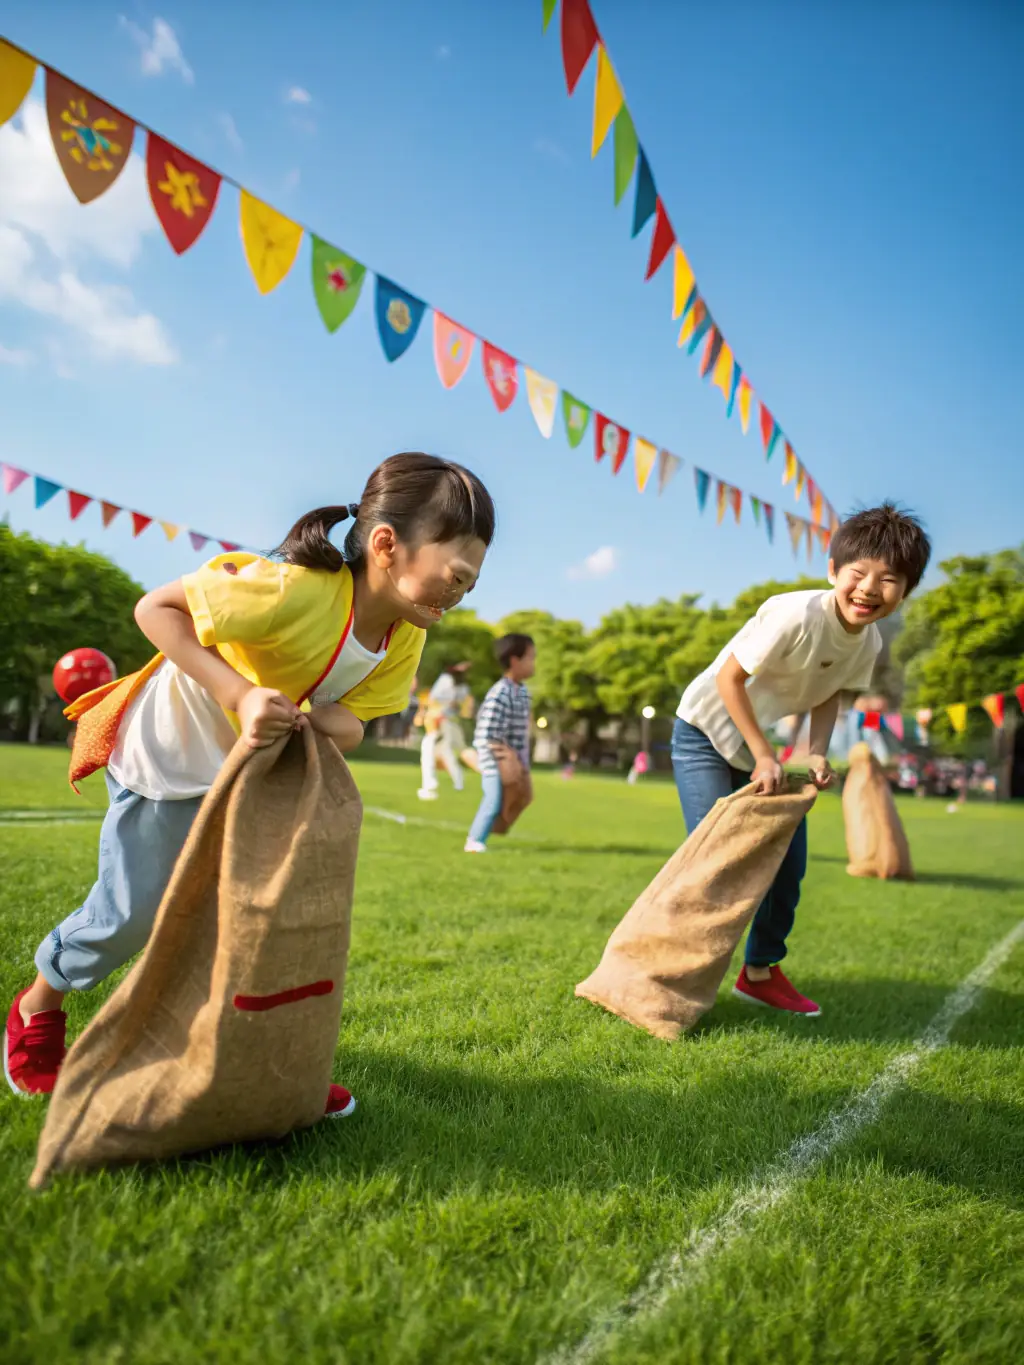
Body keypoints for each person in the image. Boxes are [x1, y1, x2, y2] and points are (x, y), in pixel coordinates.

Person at [5, 453, 495, 1106]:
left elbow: (357, 721)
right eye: (456, 575)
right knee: (133, 914)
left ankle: (261, 1068)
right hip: (169, 760)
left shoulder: (405, 635)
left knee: (252, 926)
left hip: (249, 777)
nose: (461, 593)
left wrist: (322, 723)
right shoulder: (289, 588)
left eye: (471, 582)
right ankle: (39, 1005)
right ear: (387, 546)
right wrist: (239, 695)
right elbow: (156, 610)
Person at [671, 503, 931, 1016]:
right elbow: (728, 679)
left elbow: (828, 692)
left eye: (889, 579)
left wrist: (814, 752)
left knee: (789, 863)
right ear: (834, 571)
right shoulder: (795, 613)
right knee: (714, 859)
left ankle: (761, 972)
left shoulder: (869, 640)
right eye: (858, 573)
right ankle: (672, 975)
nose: (869, 588)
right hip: (704, 729)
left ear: (905, 590)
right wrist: (766, 755)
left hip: (752, 746)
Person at [465, 634, 535, 853]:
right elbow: (487, 733)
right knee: (493, 797)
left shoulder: (522, 692)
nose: (534, 663)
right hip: (493, 754)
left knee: (520, 796)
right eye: (531, 658)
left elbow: (521, 733)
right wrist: (496, 759)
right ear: (515, 661)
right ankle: (474, 840)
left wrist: (522, 762)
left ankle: (489, 833)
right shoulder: (500, 692)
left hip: (512, 754)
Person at [418, 660, 473, 800]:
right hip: (442, 719)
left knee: (428, 751)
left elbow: (435, 698)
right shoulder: (454, 683)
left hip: (440, 720)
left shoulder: (452, 682)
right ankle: (458, 780)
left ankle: (430, 785)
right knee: (446, 752)